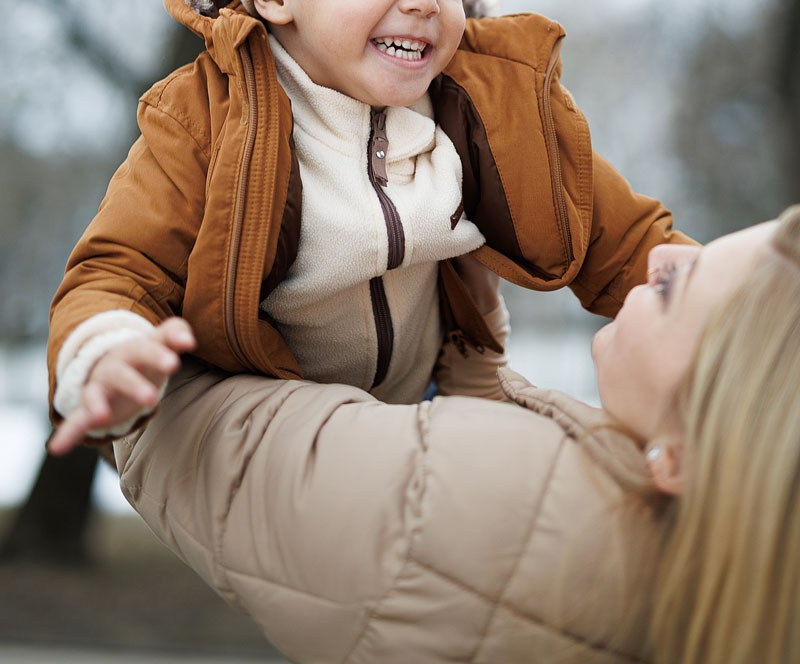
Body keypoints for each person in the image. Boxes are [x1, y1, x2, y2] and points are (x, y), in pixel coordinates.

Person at [47, 0, 690, 451]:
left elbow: (618, 236)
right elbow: (123, 266)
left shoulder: (480, 101)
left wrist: (710, 293)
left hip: (428, 396)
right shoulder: (206, 118)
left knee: (578, 470)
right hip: (259, 417)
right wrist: (105, 350)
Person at [101, 210, 800, 664]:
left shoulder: (484, 506)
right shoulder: (730, 579)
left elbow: (194, 443)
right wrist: (469, 354)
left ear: (689, 450)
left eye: (677, 288)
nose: (661, 257)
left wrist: (122, 348)